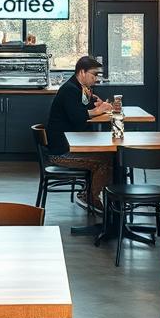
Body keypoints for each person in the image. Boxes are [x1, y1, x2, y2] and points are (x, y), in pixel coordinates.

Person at [45, 55, 114, 210]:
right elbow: (78, 117)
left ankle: (95, 196)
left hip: (72, 146)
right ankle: (90, 198)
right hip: (62, 153)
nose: (96, 79)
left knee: (110, 157)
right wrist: (98, 109)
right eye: (94, 75)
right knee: (105, 161)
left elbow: (84, 107)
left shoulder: (78, 88)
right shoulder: (70, 90)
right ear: (82, 72)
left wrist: (95, 103)